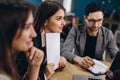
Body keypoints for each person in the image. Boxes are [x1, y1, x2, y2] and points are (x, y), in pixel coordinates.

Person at [17, 1, 67, 80]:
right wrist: (44, 75)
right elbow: (22, 74)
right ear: (45, 21)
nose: (64, 23)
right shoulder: (30, 43)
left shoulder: (53, 37)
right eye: (59, 19)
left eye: (63, 18)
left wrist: (60, 60)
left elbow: (47, 62)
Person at [61, 2, 119, 69]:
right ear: (85, 18)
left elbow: (116, 56)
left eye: (99, 20)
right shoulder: (76, 30)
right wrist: (78, 59)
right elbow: (64, 52)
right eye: (92, 20)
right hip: (78, 66)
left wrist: (113, 66)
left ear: (103, 18)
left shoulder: (108, 34)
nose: (96, 25)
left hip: (97, 68)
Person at [0, 1, 44, 80]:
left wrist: (34, 67)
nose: (34, 34)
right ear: (6, 29)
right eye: (26, 27)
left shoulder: (7, 61)